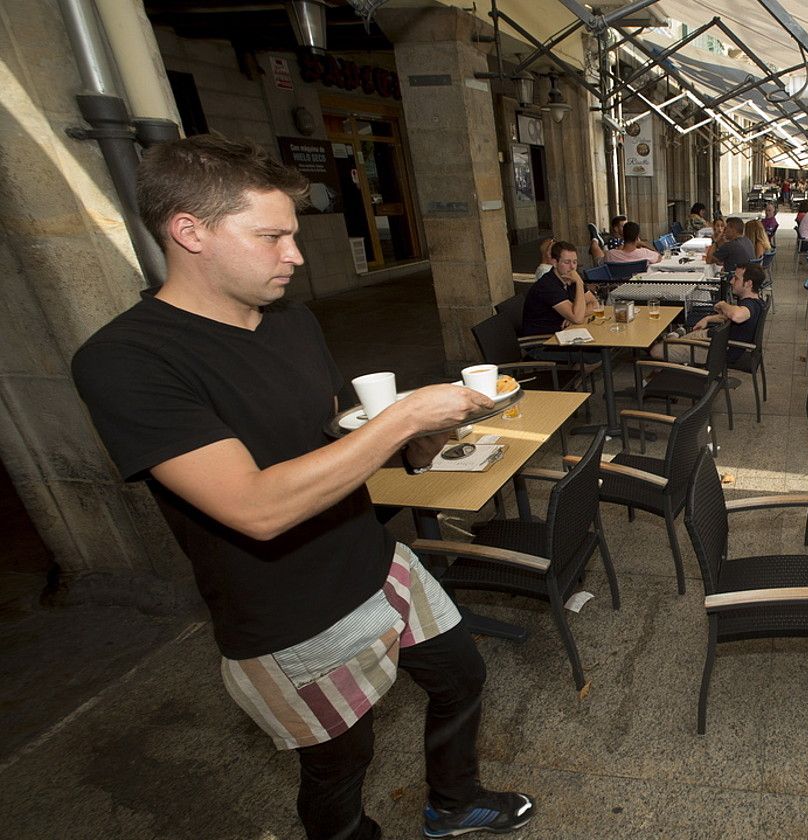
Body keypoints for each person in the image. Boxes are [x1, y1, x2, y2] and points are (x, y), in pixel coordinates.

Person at [69, 134, 534, 839]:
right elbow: (254, 507)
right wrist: (404, 413)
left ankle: (452, 800)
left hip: (376, 559)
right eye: (272, 236)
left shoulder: (291, 320)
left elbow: (328, 444)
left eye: (293, 234)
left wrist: (415, 443)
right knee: (340, 764)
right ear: (189, 231)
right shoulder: (126, 360)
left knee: (461, 676)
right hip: (287, 611)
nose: (295, 254)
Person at [651, 264, 767, 365]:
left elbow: (737, 316)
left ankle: (672, 342)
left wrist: (722, 304)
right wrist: (708, 318)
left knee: (655, 351)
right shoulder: (758, 302)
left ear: (748, 283)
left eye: (736, 279)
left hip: (715, 350)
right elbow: (734, 316)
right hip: (713, 339)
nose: (731, 281)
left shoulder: (749, 306)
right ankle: (674, 339)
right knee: (673, 342)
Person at [522, 239, 597, 337]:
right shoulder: (547, 285)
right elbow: (578, 319)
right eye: (567, 262)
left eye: (574, 262)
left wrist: (576, 315)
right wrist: (579, 282)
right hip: (544, 341)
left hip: (564, 334)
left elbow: (595, 304)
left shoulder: (570, 278)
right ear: (554, 263)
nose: (572, 267)